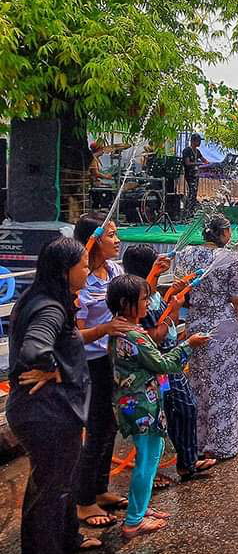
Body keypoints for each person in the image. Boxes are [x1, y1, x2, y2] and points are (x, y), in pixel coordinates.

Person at [7, 237, 102, 554]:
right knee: (47, 490)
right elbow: (34, 349)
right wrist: (55, 370)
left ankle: (67, 539)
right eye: (83, 265)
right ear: (65, 271)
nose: (88, 270)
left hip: (56, 412)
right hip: (45, 414)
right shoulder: (50, 307)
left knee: (64, 479)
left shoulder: (47, 298)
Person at [105, 275, 209, 540]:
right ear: (127, 304)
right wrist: (188, 345)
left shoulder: (127, 330)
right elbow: (162, 364)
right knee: (146, 460)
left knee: (153, 452)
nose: (149, 305)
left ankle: (141, 507)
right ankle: (133, 522)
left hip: (141, 402)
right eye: (143, 300)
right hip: (141, 405)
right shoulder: (134, 336)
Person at [174, 214, 238, 459]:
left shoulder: (186, 254)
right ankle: (222, 444)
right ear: (222, 234)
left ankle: (196, 441)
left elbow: (179, 286)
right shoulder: (230, 258)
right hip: (223, 326)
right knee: (225, 386)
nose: (230, 236)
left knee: (198, 383)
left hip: (195, 322)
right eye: (228, 231)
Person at [73, 213, 134, 528]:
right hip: (92, 363)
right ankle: (82, 502)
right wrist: (107, 329)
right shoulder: (79, 281)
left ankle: (99, 490)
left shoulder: (115, 270)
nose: (118, 240)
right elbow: (76, 335)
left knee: (110, 426)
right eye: (111, 235)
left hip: (114, 358)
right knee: (96, 429)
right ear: (94, 240)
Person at [181, 133, 207, 217]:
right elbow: (187, 163)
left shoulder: (197, 151)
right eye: (198, 141)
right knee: (191, 192)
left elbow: (204, 160)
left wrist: (211, 165)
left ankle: (191, 212)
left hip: (196, 175)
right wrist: (198, 163)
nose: (199, 143)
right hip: (189, 174)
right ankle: (187, 213)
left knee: (194, 193)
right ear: (193, 141)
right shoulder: (187, 150)